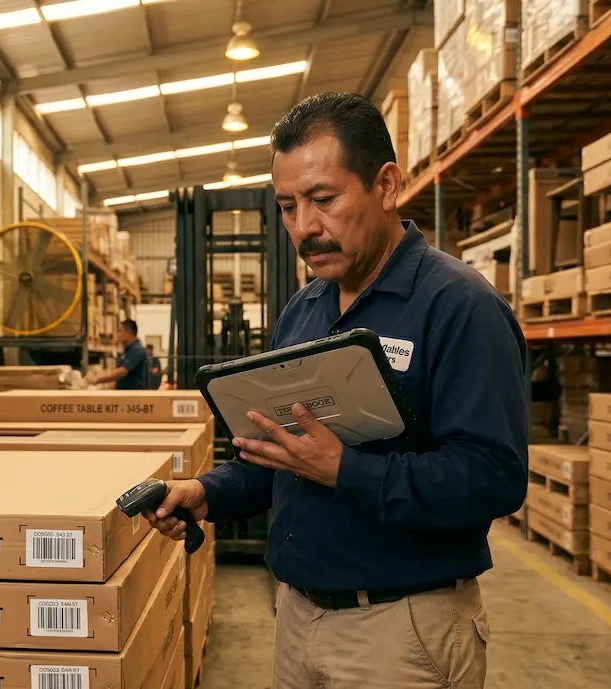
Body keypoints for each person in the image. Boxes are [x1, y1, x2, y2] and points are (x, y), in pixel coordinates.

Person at [143, 92, 527, 689]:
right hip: (298, 618)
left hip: (402, 630)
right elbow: (281, 451)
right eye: (288, 206)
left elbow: (493, 478)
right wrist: (204, 491)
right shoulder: (305, 310)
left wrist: (347, 471)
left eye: (323, 200)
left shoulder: (459, 306)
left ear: (387, 185)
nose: (304, 228)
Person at [86, 319, 148, 390]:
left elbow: (121, 372)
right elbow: (121, 376)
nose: (117, 334)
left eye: (119, 331)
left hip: (133, 397)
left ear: (128, 333)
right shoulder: (128, 350)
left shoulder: (136, 350)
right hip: (126, 395)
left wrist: (96, 379)